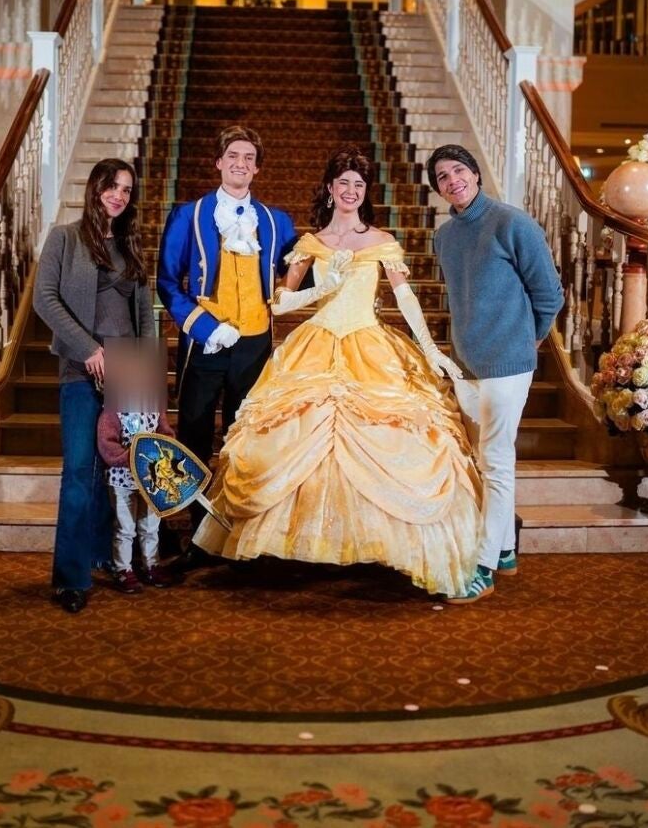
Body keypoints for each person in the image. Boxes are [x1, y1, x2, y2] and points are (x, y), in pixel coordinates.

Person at [194, 145, 482, 599]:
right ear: (330, 189)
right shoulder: (310, 244)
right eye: (343, 183)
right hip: (317, 343)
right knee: (296, 433)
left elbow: (406, 300)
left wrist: (431, 351)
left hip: (370, 344)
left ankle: (378, 546)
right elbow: (281, 303)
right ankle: (299, 546)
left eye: (359, 185)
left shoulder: (382, 242)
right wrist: (320, 288)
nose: (350, 191)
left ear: (365, 193)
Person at [428, 144, 564, 604]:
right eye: (443, 176)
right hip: (467, 363)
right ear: (439, 188)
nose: (453, 181)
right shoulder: (444, 236)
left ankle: (482, 567)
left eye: (460, 171)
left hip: (508, 362)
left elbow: (549, 293)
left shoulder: (512, 223)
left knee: (497, 461)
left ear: (476, 174)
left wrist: (529, 340)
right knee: (487, 462)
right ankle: (505, 550)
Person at [157, 125, 297, 564]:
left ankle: (235, 529)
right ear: (218, 162)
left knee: (244, 437)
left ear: (257, 167)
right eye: (233, 155)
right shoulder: (190, 215)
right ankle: (188, 529)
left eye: (249, 157)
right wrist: (204, 327)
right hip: (208, 343)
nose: (241, 163)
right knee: (195, 434)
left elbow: (298, 272)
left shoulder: (276, 221)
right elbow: (167, 282)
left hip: (255, 345)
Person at [33, 158, 155, 614]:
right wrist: (87, 348)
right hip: (82, 370)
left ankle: (109, 556)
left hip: (128, 372)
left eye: (127, 189)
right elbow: (45, 298)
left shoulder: (131, 244)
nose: (119, 195)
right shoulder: (64, 238)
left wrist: (146, 374)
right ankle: (70, 577)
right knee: (81, 471)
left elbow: (144, 315)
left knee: (118, 471)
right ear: (96, 188)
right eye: (112, 185)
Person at [96, 339, 175, 594]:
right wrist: (127, 457)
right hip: (123, 478)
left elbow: (165, 432)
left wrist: (165, 449)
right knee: (125, 526)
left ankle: (151, 563)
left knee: (151, 525)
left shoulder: (154, 405)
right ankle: (123, 569)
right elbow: (107, 444)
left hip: (151, 478)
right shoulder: (113, 409)